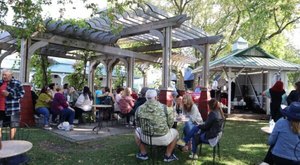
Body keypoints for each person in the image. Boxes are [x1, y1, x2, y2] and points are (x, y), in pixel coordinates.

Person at [135, 89, 179, 162]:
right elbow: (171, 123)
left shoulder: (139, 109)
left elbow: (138, 124)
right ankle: (168, 155)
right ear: (156, 97)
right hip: (163, 138)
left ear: (146, 97)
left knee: (137, 131)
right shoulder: (165, 108)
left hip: (146, 138)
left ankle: (143, 154)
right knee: (175, 132)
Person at [0, 69, 25, 140]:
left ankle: (11, 141)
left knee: (13, 125)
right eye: (3, 75)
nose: (4, 76)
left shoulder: (17, 83)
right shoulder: (0, 82)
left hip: (13, 109)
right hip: (1, 108)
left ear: (11, 75)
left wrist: (9, 94)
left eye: (6, 75)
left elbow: (22, 94)